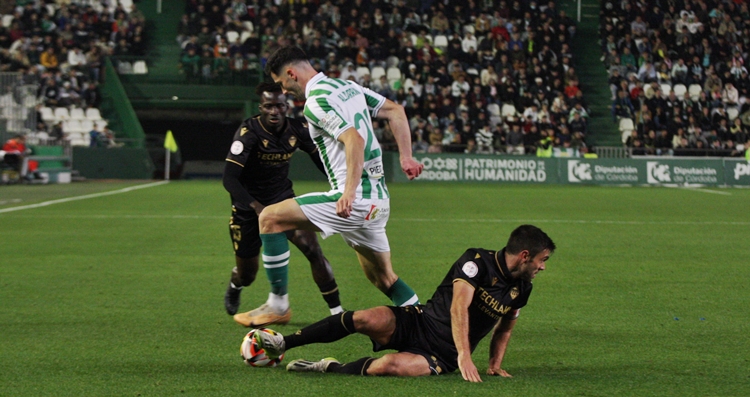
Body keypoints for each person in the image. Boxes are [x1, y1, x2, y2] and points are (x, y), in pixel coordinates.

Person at [233, 46, 424, 327]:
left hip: (354, 201)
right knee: (384, 279)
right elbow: (395, 111)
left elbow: (354, 140)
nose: (284, 92)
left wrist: (348, 192)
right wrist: (406, 156)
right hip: (378, 202)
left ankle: (278, 304)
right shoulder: (347, 87)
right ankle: (427, 327)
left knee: (269, 218)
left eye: (282, 84)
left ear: (291, 73)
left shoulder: (316, 102)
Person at [253, 225, 556, 382]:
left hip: (443, 355)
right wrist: (468, 355)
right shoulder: (476, 261)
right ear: (525, 255)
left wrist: (493, 364)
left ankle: (328, 368)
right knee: (364, 318)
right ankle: (283, 344)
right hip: (421, 321)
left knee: (389, 365)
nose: (543, 267)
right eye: (542, 260)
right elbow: (458, 307)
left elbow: (505, 328)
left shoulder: (522, 289)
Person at [224, 82, 343, 322]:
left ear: (286, 106)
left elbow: (321, 160)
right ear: (261, 107)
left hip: (283, 202)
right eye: (269, 106)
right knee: (248, 275)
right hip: (248, 210)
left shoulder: (298, 128)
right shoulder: (248, 133)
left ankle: (337, 314)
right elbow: (229, 179)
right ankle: (236, 285)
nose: (274, 111)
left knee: (313, 250)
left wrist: (341, 184)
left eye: (279, 106)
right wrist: (257, 207)